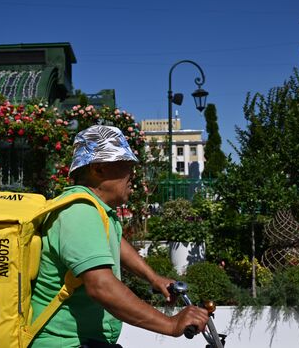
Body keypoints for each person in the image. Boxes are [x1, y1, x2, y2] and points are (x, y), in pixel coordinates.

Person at [30, 125, 209, 348]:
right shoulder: (79, 212)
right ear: (99, 169)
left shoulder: (98, 211)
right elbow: (102, 286)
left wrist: (153, 278)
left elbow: (116, 242)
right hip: (64, 344)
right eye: (126, 166)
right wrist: (170, 325)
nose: (132, 175)